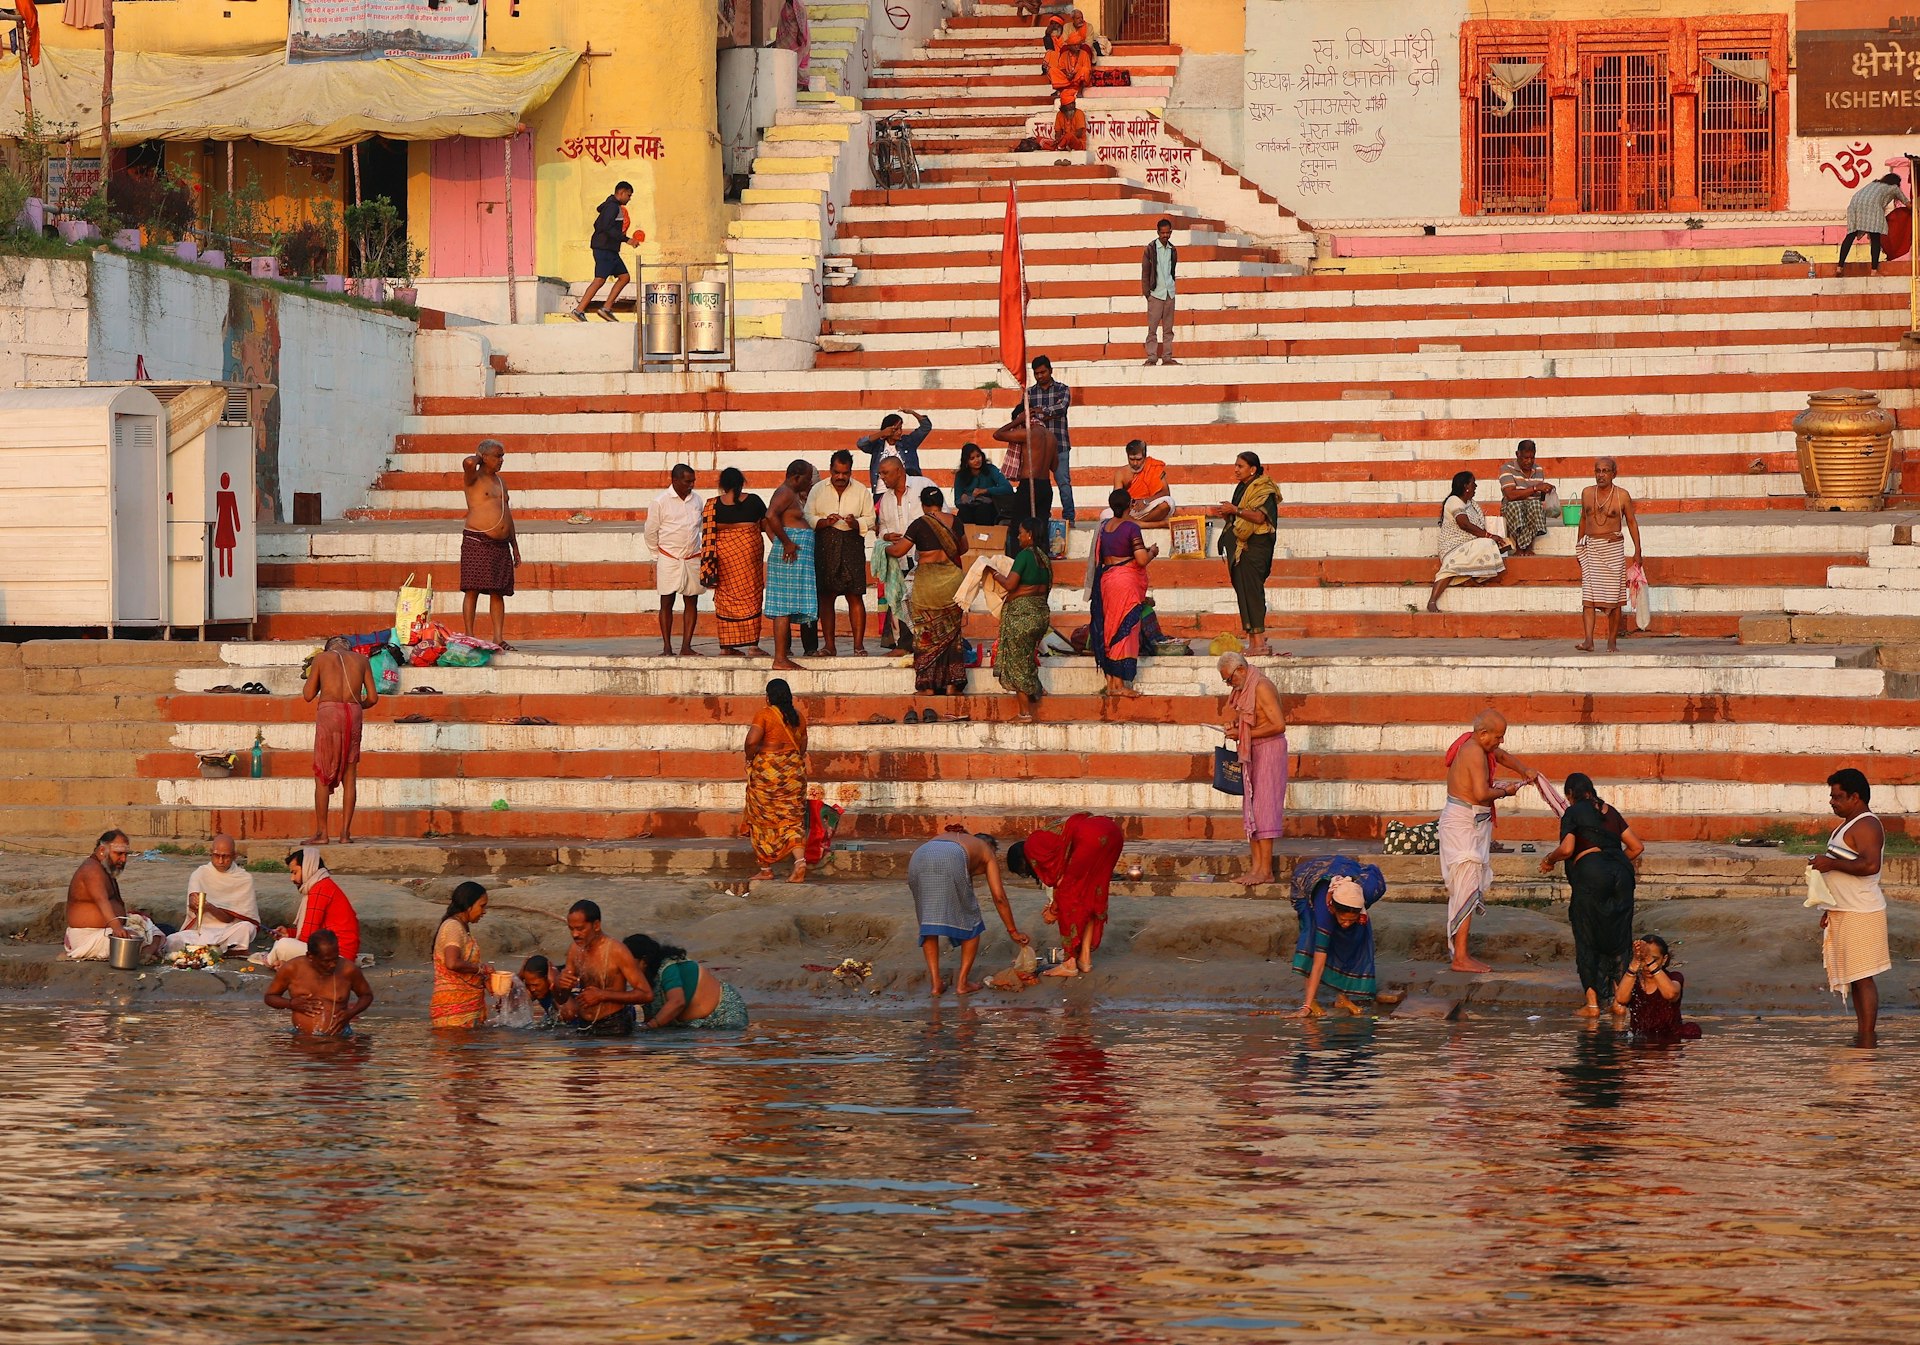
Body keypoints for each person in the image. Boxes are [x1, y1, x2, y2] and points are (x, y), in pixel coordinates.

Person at [1438, 710, 1537, 973]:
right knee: (1466, 887)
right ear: (1483, 734)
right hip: (1463, 824)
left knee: (1467, 887)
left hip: (1467, 821)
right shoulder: (1473, 751)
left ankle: (1459, 953)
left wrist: (1523, 768)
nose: (1500, 742)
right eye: (1498, 737)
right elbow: (1482, 793)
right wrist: (1506, 791)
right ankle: (1460, 957)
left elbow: (1499, 755)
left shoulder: (1475, 743)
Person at [1539, 772, 1644, 1018]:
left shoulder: (1573, 812)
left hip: (1591, 874)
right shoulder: (1611, 811)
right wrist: (1613, 863)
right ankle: (1619, 1002)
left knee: (1587, 934)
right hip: (1621, 873)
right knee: (1619, 935)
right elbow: (1636, 847)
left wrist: (1548, 860)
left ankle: (1593, 1004)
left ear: (1570, 795)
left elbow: (1567, 849)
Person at [1811, 767, 1888, 1048]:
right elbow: (1844, 871)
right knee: (1855, 978)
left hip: (1862, 911)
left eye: (1838, 796)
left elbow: (1870, 865)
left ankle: (1867, 1039)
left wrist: (1830, 864)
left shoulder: (1867, 824)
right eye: (1832, 796)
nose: (1832, 801)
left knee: (1862, 976)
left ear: (1855, 797)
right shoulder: (1848, 823)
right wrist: (1829, 907)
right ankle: (1864, 1037)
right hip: (1845, 909)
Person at [907, 831, 1029, 995]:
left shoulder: (962, 842)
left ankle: (936, 984)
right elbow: (999, 897)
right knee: (972, 923)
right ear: (991, 847)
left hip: (918, 857)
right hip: (951, 858)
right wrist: (1013, 931)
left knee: (929, 922)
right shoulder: (986, 850)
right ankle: (962, 983)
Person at [1006, 813, 1124, 978]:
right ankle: (1084, 959)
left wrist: (1053, 911)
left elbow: (1062, 884)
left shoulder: (1032, 846)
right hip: (1112, 832)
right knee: (1090, 896)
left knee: (1068, 899)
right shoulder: (1045, 839)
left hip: (1092, 836)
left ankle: (1069, 963)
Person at [891, 485, 971, 696]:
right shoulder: (955, 521)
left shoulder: (919, 524)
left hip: (927, 581)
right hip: (952, 579)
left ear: (924, 504)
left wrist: (884, 547)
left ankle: (928, 687)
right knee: (952, 634)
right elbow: (964, 548)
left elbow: (899, 550)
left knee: (926, 633)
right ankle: (952, 684)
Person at [1218, 649, 1288, 886]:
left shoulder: (1261, 686)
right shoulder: (1245, 689)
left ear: (1241, 670)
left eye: (1229, 679)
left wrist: (1244, 733)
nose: (1229, 685)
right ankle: (1256, 868)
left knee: (1264, 809)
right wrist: (1236, 728)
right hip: (1252, 750)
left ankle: (1265, 870)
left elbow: (1279, 725)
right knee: (1252, 809)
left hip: (1269, 750)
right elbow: (1253, 720)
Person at [302, 635, 378, 846]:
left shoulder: (322, 659)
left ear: (328, 648)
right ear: (348, 647)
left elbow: (308, 694)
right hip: (353, 713)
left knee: (322, 774)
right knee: (350, 775)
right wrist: (355, 708)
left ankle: (322, 833)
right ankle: (345, 834)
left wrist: (312, 675)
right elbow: (372, 698)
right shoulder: (362, 660)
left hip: (329, 713)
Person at [1289, 857, 1387, 1017]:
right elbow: (1319, 963)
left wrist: (1352, 920)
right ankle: (1310, 1001)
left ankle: (1342, 997)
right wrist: (1305, 1007)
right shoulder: (1324, 914)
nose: (1347, 923)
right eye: (1343, 919)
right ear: (1334, 910)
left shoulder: (1369, 890)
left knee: (1355, 936)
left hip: (1345, 869)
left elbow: (1374, 871)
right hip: (1307, 882)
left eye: (1351, 919)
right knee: (1311, 936)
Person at [806, 449, 875, 655]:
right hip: (826, 542)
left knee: (855, 595)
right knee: (826, 596)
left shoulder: (862, 490)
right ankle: (829, 646)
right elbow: (807, 515)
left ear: (851, 472)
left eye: (845, 473)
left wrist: (857, 523)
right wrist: (824, 521)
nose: (841, 477)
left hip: (852, 543)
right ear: (831, 470)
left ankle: (858, 646)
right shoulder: (818, 489)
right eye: (837, 472)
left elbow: (871, 518)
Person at [1211, 451, 1280, 655]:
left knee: (1253, 593)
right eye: (1235, 465)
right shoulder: (1241, 488)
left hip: (1255, 548)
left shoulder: (1264, 489)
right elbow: (1237, 519)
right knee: (1244, 593)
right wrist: (1228, 514)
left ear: (1252, 469)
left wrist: (1235, 510)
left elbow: (1259, 518)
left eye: (1240, 466)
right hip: (1240, 548)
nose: (1236, 469)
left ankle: (1259, 643)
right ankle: (1254, 642)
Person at [554, 899, 654, 1037]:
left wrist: (602, 995)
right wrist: (560, 984)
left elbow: (646, 994)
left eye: (580, 929)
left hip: (614, 1025)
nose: (575, 934)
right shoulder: (574, 949)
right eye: (571, 929)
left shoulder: (617, 951)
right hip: (584, 1025)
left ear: (596, 925)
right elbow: (561, 999)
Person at [1090, 488, 1155, 697]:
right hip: (1125, 583)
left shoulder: (1104, 528)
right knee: (1124, 631)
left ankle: (1111, 683)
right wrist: (1153, 551)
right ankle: (1118, 686)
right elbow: (1142, 559)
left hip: (1107, 581)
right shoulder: (1131, 528)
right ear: (1130, 505)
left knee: (1110, 629)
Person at [743, 677, 809, 882]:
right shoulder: (798, 717)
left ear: (768, 697)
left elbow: (751, 741)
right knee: (791, 819)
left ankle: (765, 869)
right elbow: (803, 746)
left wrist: (751, 757)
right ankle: (800, 862)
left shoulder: (764, 715)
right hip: (793, 773)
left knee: (762, 819)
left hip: (767, 774)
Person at [61, 829, 163, 961]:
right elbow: (101, 900)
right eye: (119, 854)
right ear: (102, 850)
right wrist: (117, 927)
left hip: (107, 930)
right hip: (88, 937)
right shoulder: (91, 870)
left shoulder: (104, 868)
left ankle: (146, 950)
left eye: (126, 854)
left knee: (153, 930)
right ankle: (146, 951)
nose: (123, 859)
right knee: (130, 939)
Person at [1576, 457, 1643, 653]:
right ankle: (1588, 640)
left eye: (1605, 471)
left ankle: (1612, 641)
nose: (1601, 475)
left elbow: (1631, 522)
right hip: (1590, 548)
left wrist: (1638, 551)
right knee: (1588, 598)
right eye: (1598, 471)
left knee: (1614, 601)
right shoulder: (1587, 493)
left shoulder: (1622, 495)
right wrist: (1578, 546)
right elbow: (1583, 519)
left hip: (1612, 550)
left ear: (1614, 473)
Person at [702, 466, 768, 655]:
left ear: (722, 485)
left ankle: (726, 647)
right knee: (752, 596)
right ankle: (753, 646)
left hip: (723, 559)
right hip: (748, 557)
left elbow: (708, 534)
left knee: (724, 598)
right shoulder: (754, 501)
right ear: (741, 483)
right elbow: (764, 524)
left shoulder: (712, 505)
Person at [459, 439, 519, 646]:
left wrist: (515, 546)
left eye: (502, 456)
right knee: (472, 589)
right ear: (485, 457)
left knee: (498, 591)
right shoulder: (473, 479)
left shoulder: (501, 482)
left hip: (501, 544)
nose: (501, 460)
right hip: (477, 538)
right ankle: (469, 634)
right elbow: (467, 462)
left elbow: (507, 515)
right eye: (497, 456)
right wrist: (478, 456)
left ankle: (498, 638)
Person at [993, 516, 1053, 722]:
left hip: (1021, 618)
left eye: (1021, 532)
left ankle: (1024, 712)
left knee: (1017, 662)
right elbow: (1043, 590)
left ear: (1029, 535)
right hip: (1039, 615)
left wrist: (995, 574)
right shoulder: (1045, 558)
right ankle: (1037, 689)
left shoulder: (1024, 556)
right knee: (1027, 656)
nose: (1018, 536)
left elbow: (1010, 584)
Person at [625, 934, 752, 1030]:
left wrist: (649, 1027)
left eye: (629, 962)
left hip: (724, 1019)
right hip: (694, 1028)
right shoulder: (647, 976)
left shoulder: (668, 968)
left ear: (644, 960)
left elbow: (677, 1002)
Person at [875, 455, 936, 650]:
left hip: (925, 558)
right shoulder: (885, 499)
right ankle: (904, 646)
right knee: (901, 602)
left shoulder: (922, 485)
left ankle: (927, 645)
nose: (882, 478)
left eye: (885, 473)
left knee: (924, 605)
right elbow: (882, 527)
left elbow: (939, 515)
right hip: (900, 559)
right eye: (880, 474)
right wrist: (886, 536)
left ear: (899, 470)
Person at [263, 929, 373, 1038]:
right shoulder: (292, 968)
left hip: (339, 1040)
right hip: (301, 1042)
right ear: (310, 956)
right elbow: (270, 997)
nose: (332, 965)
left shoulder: (348, 969)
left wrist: (351, 1013)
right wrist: (291, 1004)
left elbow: (366, 995)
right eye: (326, 961)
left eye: (335, 959)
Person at [1427, 471, 1511, 613]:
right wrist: (1489, 536)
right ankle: (1432, 601)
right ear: (1466, 486)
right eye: (1473, 483)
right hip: (1452, 546)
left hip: (1470, 543)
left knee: (1490, 544)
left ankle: (1467, 577)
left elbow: (1478, 526)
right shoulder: (1454, 500)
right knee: (1486, 544)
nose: (1476, 486)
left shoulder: (1472, 504)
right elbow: (1464, 524)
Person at [762, 459, 818, 672]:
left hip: (793, 557)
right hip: (788, 557)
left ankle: (782, 657)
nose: (810, 481)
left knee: (786, 607)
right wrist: (785, 542)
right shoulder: (785, 492)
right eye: (807, 477)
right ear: (797, 476)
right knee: (783, 608)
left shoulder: (791, 494)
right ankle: (780, 659)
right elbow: (769, 517)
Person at [645, 464, 706, 657]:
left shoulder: (697, 500)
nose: (691, 485)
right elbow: (650, 531)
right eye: (688, 481)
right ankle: (667, 647)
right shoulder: (660, 501)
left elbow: (701, 527)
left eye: (693, 481)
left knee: (691, 600)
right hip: (668, 557)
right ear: (675, 480)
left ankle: (686, 646)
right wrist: (657, 555)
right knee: (667, 601)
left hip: (692, 556)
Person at [165, 832, 259, 955]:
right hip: (202, 931)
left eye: (225, 857)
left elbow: (229, 918)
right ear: (211, 853)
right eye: (216, 855)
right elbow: (193, 908)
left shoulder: (244, 878)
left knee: (247, 928)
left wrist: (210, 907)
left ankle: (209, 950)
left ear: (235, 856)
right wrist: (194, 903)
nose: (220, 861)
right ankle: (218, 950)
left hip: (229, 930)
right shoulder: (200, 874)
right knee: (172, 940)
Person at [273, 847, 362, 964]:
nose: (292, 878)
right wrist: (289, 933)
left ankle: (270, 961)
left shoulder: (320, 889)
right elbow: (315, 930)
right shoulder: (321, 885)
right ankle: (283, 962)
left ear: (308, 868)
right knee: (283, 943)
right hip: (332, 952)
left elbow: (308, 938)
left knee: (282, 945)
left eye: (295, 872)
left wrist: (288, 941)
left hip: (338, 956)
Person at [570, 180, 639, 320]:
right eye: (628, 195)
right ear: (621, 192)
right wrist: (627, 240)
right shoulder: (612, 207)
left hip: (610, 249)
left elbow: (598, 224)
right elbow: (605, 227)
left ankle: (606, 308)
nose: (629, 198)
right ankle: (578, 310)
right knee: (599, 280)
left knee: (624, 277)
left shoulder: (612, 206)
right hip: (604, 248)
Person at [1612, 935, 1699, 1043]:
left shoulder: (1674, 977)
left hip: (1669, 1040)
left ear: (1664, 959)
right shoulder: (1634, 981)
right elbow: (1621, 999)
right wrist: (1635, 962)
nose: (1647, 965)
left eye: (1655, 959)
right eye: (1643, 960)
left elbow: (1671, 994)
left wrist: (1648, 959)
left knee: (1692, 1030)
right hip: (1640, 1040)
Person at [431, 881, 493, 1029]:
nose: (484, 911)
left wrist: (484, 979)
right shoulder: (453, 927)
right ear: (468, 905)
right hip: (454, 1010)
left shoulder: (460, 927)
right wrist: (482, 969)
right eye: (482, 906)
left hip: (465, 1007)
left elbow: (464, 968)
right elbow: (452, 963)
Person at [1024, 355, 1075, 521]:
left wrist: (1040, 412)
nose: (1040, 376)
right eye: (1036, 373)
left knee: (1064, 484)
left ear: (1050, 370)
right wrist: (1044, 413)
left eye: (1043, 372)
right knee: (1040, 486)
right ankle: (1042, 517)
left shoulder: (1062, 389)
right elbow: (1024, 414)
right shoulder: (1029, 393)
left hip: (1059, 445)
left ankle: (1069, 518)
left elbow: (1061, 408)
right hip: (1038, 449)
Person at [992, 405, 1056, 526]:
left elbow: (997, 434)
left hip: (1029, 486)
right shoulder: (1051, 436)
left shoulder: (1028, 433)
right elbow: (1054, 466)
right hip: (1046, 487)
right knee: (1040, 531)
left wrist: (1018, 420)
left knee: (1018, 528)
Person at [1839, 172, 1910, 273]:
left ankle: (1839, 266)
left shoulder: (1873, 183)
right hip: (1872, 207)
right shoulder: (1894, 188)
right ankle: (1874, 270)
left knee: (1850, 235)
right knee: (1875, 237)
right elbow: (1907, 203)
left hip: (1854, 205)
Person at [1497, 440, 1557, 556]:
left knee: (1535, 505)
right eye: (1525, 458)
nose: (1529, 461)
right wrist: (1535, 488)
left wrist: (1546, 490)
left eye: (1532, 458)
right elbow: (1510, 495)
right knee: (1518, 506)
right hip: (1511, 507)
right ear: (1517, 454)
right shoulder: (1506, 468)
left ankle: (1529, 546)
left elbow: (1539, 497)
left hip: (1531, 507)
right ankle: (1519, 547)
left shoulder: (1538, 469)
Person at [855, 410, 932, 490]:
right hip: (881, 492)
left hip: (907, 491)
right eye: (895, 429)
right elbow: (861, 444)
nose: (899, 432)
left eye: (900, 428)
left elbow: (926, 427)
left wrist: (912, 413)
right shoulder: (877, 446)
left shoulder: (908, 442)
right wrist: (882, 433)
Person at [1142, 218, 1178, 366]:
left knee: (1168, 329)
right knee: (1153, 329)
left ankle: (1167, 357)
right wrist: (1148, 293)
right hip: (1155, 293)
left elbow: (1172, 270)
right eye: (1162, 233)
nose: (1165, 236)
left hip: (1169, 293)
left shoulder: (1173, 249)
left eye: (1167, 233)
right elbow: (1145, 272)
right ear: (1158, 232)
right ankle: (1152, 357)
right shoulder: (1150, 249)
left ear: (1170, 232)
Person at [953, 442, 1014, 526]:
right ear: (966, 461)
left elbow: (1007, 488)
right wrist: (963, 499)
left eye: (978, 456)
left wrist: (985, 491)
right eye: (972, 458)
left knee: (983, 510)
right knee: (963, 512)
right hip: (969, 508)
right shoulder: (960, 475)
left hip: (988, 508)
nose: (977, 460)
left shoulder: (990, 469)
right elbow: (957, 500)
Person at [1113, 439, 1174, 523]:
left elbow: (1165, 492)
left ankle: (1139, 522)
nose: (1135, 463)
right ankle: (1138, 522)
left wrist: (1145, 501)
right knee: (1105, 514)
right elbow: (1117, 500)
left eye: (1138, 459)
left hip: (1149, 506)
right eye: (1131, 459)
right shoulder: (1121, 473)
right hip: (1130, 510)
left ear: (1144, 457)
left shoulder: (1153, 467)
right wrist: (1131, 504)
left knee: (1168, 503)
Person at [518, 954, 561, 1024]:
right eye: (528, 985)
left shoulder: (566, 984)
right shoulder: (537, 990)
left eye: (535, 985)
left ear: (548, 978)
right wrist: (519, 977)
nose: (532, 989)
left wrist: (554, 985)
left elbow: (568, 1014)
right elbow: (513, 1006)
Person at [1050, 87, 1089, 153]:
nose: (1072, 106)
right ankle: (1061, 146)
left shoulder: (1079, 113)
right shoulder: (1059, 114)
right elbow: (1058, 132)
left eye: (1073, 103)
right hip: (1063, 141)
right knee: (1041, 140)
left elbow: (1079, 134)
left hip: (1078, 144)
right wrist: (1058, 139)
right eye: (1070, 104)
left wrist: (1065, 138)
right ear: (1064, 106)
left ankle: (1060, 147)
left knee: (1069, 135)